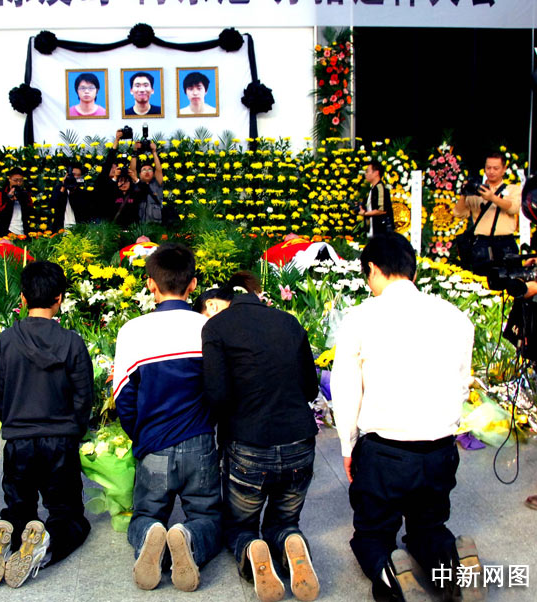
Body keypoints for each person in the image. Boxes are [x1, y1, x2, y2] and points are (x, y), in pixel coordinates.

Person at [330, 233, 483, 602]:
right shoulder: (455, 317)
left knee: (373, 533)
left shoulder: (361, 318)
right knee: (428, 526)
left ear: (373, 269)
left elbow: (346, 390)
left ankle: (391, 571)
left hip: (386, 452)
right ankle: (454, 566)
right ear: (411, 270)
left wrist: (348, 446)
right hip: (440, 450)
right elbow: (462, 383)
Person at [199, 272, 321, 602]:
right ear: (257, 294)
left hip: (248, 443)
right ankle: (290, 539)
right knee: (285, 519)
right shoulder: (289, 322)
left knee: (240, 525)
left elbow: (217, 395)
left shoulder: (216, 328)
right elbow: (310, 388)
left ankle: (252, 547)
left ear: (225, 299)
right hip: (299, 440)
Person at [113, 243, 221, 593]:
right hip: (199, 442)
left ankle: (150, 535)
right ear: (193, 284)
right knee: (207, 516)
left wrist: (141, 436)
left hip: (154, 444)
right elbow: (220, 390)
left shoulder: (133, 330)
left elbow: (123, 397)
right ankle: (188, 538)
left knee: (145, 514)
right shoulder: (208, 328)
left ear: (150, 284)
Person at [0, 261, 93, 589]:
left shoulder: (6, 341)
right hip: (60, 440)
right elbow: (84, 396)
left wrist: (11, 425)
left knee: (18, 508)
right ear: (60, 298)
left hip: (19, 441)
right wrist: (74, 431)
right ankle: (46, 544)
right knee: (68, 515)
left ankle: (4, 537)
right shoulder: (71, 342)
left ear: (23, 298)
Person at [453, 152, 521, 273]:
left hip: (505, 244)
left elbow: (513, 208)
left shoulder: (512, 189)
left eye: (496, 168)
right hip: (481, 245)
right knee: (481, 279)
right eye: (488, 168)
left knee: (508, 279)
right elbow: (459, 213)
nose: (491, 171)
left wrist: (492, 198)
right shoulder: (477, 191)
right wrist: (464, 193)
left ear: (504, 169)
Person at [0, 168, 35, 237]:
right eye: (15, 180)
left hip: (22, 228)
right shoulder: (1, 193)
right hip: (7, 229)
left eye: (21, 180)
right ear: (9, 179)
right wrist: (9, 199)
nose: (18, 183)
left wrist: (22, 198)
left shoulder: (26, 193)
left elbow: (30, 209)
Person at [359, 160, 394, 238]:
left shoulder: (380, 188)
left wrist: (365, 213)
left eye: (367, 171)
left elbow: (381, 210)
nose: (365, 174)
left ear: (376, 173)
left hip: (381, 231)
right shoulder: (373, 189)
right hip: (373, 230)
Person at [132, 140, 164, 224]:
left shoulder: (157, 184)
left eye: (150, 170)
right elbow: (132, 170)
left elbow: (159, 170)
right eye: (144, 170)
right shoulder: (136, 184)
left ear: (153, 174)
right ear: (139, 174)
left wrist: (154, 152)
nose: (147, 172)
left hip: (156, 225)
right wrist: (134, 151)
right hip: (140, 226)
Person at [50, 165, 92, 230]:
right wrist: (64, 186)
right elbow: (54, 204)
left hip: (78, 228)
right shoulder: (58, 189)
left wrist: (74, 189)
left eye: (78, 175)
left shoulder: (83, 193)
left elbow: (82, 209)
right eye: (74, 175)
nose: (75, 177)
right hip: (60, 229)